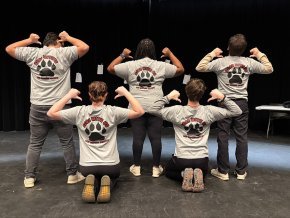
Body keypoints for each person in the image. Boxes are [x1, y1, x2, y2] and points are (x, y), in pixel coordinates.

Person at [5, 31, 90, 188]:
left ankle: (29, 177)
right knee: (67, 142)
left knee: (35, 143)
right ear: (58, 42)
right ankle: (72, 175)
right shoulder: (64, 53)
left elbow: (9, 49)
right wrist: (69, 38)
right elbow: (85, 47)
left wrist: (29, 40)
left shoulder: (33, 53)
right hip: (60, 107)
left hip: (37, 106)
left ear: (44, 42)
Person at [47, 81, 144, 203]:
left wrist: (68, 96)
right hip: (111, 166)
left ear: (89, 95)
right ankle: (108, 181)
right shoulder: (113, 112)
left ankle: (92, 181)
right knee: (113, 177)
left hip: (87, 167)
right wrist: (125, 92)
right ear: (106, 95)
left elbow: (50, 113)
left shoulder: (78, 112)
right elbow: (140, 111)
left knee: (91, 175)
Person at [195, 33, 273, 181]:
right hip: (242, 103)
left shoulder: (221, 62)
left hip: (224, 102)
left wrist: (213, 53)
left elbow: (200, 67)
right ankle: (241, 171)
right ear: (244, 49)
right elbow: (269, 69)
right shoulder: (249, 62)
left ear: (228, 48)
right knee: (241, 137)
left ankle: (223, 171)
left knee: (223, 135)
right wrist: (259, 54)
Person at [107, 38, 185, 178]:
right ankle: (156, 168)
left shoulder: (130, 65)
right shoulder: (161, 65)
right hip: (156, 106)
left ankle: (136, 167)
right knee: (156, 138)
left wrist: (123, 55)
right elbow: (180, 69)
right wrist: (169, 54)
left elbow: (110, 68)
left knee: (138, 137)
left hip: (137, 108)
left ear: (138, 51)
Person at [148, 78, 242, 192]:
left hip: (181, 159)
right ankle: (199, 174)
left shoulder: (176, 111)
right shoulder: (209, 111)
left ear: (186, 92)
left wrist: (168, 97)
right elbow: (237, 111)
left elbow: (151, 109)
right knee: (203, 172)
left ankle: (184, 174)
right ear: (202, 94)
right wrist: (222, 97)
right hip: (202, 161)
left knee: (168, 171)